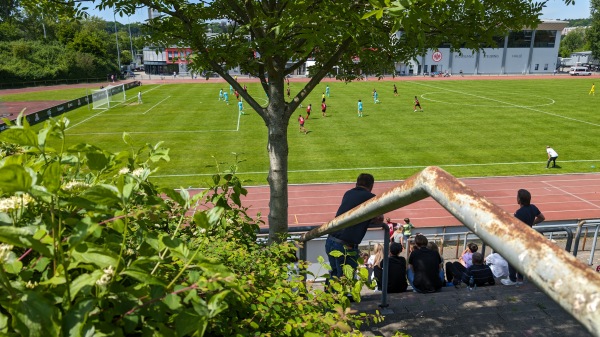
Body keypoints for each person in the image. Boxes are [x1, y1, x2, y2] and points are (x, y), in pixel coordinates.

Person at [326, 173, 379, 282]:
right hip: (346, 245)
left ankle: (331, 297)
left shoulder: (348, 193)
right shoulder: (371, 197)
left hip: (330, 240)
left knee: (334, 275)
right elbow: (379, 218)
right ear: (371, 186)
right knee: (345, 279)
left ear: (356, 183)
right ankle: (340, 298)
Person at [502, 189, 545, 286]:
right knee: (522, 258)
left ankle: (512, 279)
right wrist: (531, 224)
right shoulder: (533, 208)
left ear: (519, 200)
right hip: (528, 236)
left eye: (517, 197)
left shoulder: (519, 213)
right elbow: (542, 217)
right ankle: (520, 279)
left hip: (519, 238)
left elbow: (514, 227)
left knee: (511, 256)